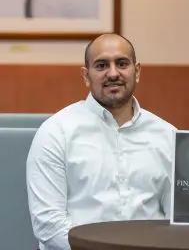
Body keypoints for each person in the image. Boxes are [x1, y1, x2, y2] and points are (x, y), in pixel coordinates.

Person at [26, 33, 176, 250]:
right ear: (86, 76)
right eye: (102, 65)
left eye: (122, 63)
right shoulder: (55, 133)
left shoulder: (167, 135)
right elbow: (48, 224)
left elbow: (178, 220)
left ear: (137, 71)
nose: (113, 73)